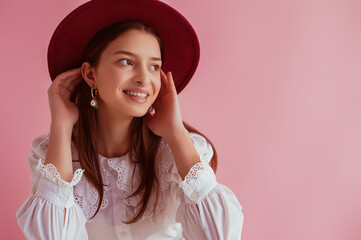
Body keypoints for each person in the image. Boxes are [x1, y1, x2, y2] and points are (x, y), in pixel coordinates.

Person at [16, 0, 244, 239]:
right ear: (90, 74)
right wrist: (61, 125)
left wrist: (175, 132)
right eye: (127, 62)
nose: (144, 79)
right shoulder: (49, 153)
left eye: (154, 67)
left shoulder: (177, 150)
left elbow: (221, 235)